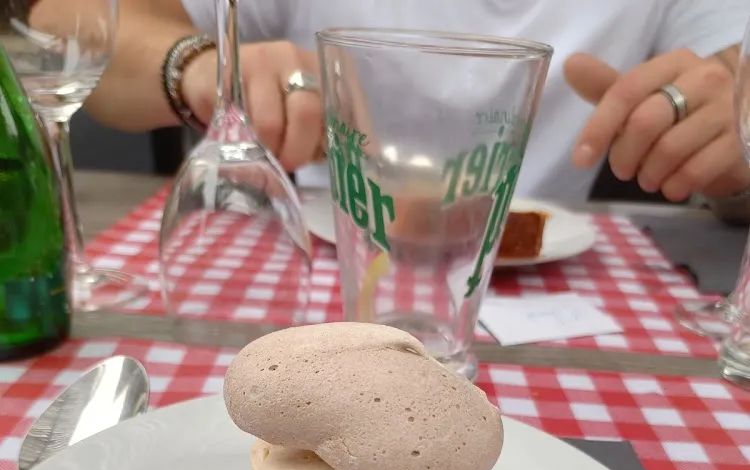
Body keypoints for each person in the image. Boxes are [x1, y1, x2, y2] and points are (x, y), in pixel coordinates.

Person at [87, 0, 750, 218]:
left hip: (544, 276)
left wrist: (725, 135)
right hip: (329, 251)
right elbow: (71, 20)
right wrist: (198, 65)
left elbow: (732, 71)